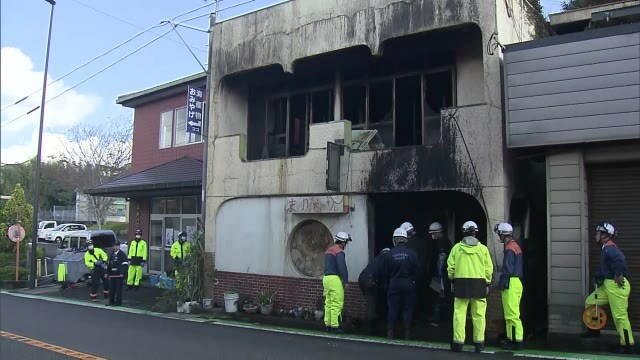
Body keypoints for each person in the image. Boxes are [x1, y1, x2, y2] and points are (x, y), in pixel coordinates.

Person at [582, 223, 634, 354]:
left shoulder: (611, 249)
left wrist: (618, 274)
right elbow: (605, 267)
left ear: (605, 235)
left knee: (620, 316)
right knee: (590, 302)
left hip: (617, 286)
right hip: (607, 285)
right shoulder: (605, 248)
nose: (595, 235)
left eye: (597, 233)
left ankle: (627, 344)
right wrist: (598, 276)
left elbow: (620, 260)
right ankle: (594, 330)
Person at [447, 221, 493, 353]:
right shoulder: (483, 249)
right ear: (475, 232)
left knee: (459, 314)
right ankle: (479, 344)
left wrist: (452, 280)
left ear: (463, 232)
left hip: (461, 284)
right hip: (479, 284)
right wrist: (487, 283)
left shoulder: (457, 248)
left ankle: (458, 343)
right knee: (479, 315)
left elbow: (450, 266)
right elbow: (489, 268)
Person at [385, 228, 420, 340]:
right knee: (407, 309)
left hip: (394, 284)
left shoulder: (389, 254)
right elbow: (417, 271)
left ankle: (390, 333)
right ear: (405, 239)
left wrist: (388, 286)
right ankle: (407, 334)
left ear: (395, 239)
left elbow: (385, 273)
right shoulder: (412, 254)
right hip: (408, 284)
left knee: (393, 308)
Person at [495, 222, 524, 350]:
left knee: (511, 314)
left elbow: (507, 268)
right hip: (516, 282)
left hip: (510, 282)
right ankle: (511, 338)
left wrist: (500, 282)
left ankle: (516, 341)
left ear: (503, 234)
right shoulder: (515, 246)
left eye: (499, 234)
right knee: (511, 313)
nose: (499, 237)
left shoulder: (510, 248)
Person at [323, 231, 352, 333]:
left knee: (328, 302)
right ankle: (335, 326)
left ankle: (328, 325)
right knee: (337, 303)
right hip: (335, 279)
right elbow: (342, 267)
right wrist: (346, 280)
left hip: (326, 278)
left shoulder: (328, 250)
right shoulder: (339, 251)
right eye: (346, 242)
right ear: (343, 242)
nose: (346, 245)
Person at [358, 248, 390, 335]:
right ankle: (369, 330)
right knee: (372, 307)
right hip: (370, 281)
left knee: (371, 302)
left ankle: (370, 327)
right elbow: (384, 277)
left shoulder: (377, 259)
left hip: (362, 278)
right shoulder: (386, 260)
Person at [428, 222, 451, 327]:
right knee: (440, 297)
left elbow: (440, 261)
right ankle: (441, 319)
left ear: (437, 233)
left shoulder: (441, 244)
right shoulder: (447, 242)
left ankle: (437, 319)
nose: (432, 236)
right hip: (443, 275)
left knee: (437, 297)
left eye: (433, 233)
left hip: (441, 275)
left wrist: (439, 275)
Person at [107, 241, 128, 306]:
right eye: (114, 246)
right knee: (111, 289)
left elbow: (125, 265)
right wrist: (107, 273)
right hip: (112, 274)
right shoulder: (111, 254)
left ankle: (118, 303)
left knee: (118, 290)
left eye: (117, 246)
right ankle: (111, 302)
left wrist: (122, 273)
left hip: (119, 275)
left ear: (119, 246)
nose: (115, 247)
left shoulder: (122, 254)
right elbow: (109, 264)